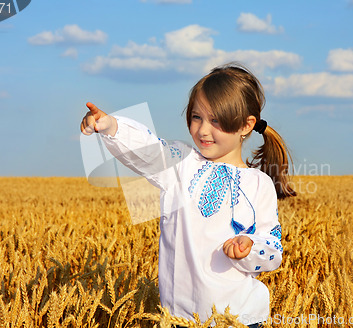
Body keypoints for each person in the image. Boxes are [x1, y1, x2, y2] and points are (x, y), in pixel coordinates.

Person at [80, 63, 296, 327]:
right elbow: (148, 151)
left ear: (245, 125)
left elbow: (273, 250)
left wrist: (250, 248)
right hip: (180, 319)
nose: (203, 130)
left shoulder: (259, 184)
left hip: (241, 319)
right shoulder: (181, 163)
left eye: (216, 120)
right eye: (197, 117)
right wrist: (112, 126)